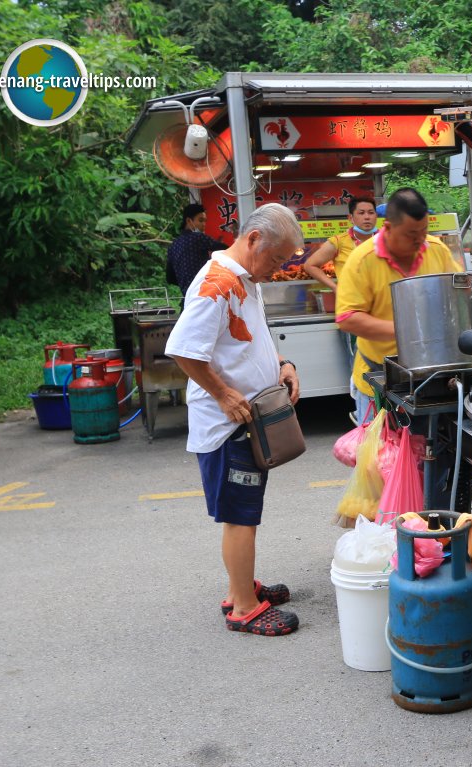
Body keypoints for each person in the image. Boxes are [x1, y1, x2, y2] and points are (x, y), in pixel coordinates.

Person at [165, 203, 305, 637]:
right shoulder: (217, 283)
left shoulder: (245, 279)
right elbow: (184, 349)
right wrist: (224, 394)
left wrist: (282, 362)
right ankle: (244, 607)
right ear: (254, 240)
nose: (278, 269)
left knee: (245, 512)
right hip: (229, 426)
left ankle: (241, 587)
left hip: (248, 418)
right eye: (277, 259)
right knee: (241, 517)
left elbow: (251, 335)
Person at [335, 188, 463, 423]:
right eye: (411, 234)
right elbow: (348, 317)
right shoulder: (363, 260)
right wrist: (409, 332)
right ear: (389, 228)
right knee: (378, 458)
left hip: (430, 376)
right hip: (380, 378)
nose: (420, 239)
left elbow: (459, 292)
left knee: (430, 454)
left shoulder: (436, 250)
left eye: (424, 230)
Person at [303, 196, 378, 291]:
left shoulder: (387, 239)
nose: (367, 217)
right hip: (352, 301)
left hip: (383, 301)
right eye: (361, 213)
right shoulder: (338, 242)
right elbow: (310, 265)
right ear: (350, 218)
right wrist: (335, 288)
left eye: (371, 213)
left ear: (376, 216)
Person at [166, 203, 227, 295]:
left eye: (205, 221)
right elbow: (226, 249)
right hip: (204, 293)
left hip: (187, 297)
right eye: (201, 220)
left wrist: (186, 283)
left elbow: (170, 278)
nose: (204, 224)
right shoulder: (198, 238)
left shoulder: (173, 245)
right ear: (189, 221)